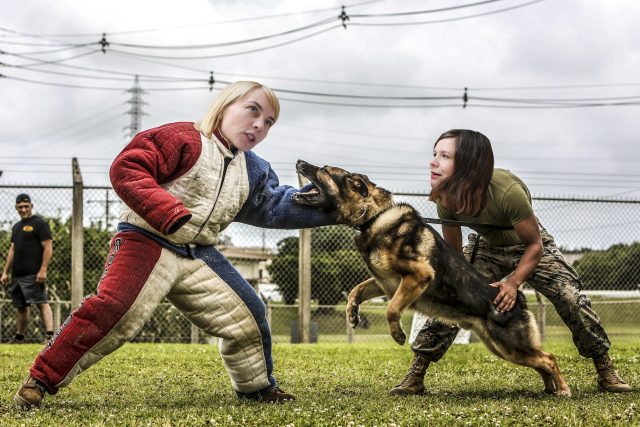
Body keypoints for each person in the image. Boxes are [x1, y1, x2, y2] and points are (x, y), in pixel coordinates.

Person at [14, 81, 336, 408]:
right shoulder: (183, 137)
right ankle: (39, 380)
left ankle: (256, 388)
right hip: (147, 238)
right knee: (113, 309)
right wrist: (166, 210)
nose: (259, 124)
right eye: (253, 110)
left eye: (269, 122)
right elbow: (128, 167)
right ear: (225, 106)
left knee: (247, 315)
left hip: (199, 252)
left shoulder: (252, 168)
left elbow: (270, 204)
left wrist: (334, 206)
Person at [389, 129, 631, 396]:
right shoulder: (445, 198)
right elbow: (455, 255)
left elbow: (535, 245)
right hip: (486, 249)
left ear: (469, 163)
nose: (434, 161)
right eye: (434, 154)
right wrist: (461, 287)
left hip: (530, 247)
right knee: (455, 299)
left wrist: (513, 282)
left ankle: (605, 371)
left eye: (444, 156)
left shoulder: (507, 189)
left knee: (571, 298)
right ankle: (416, 375)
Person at [1, 193, 54, 345]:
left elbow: (48, 247)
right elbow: (12, 250)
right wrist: (5, 272)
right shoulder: (16, 227)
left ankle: (50, 336)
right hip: (17, 274)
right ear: (16, 208)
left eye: (26, 206)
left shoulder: (39, 223)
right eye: (20, 207)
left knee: (41, 302)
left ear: (31, 206)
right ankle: (19, 337)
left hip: (34, 274)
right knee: (21, 307)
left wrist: (43, 269)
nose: (23, 209)